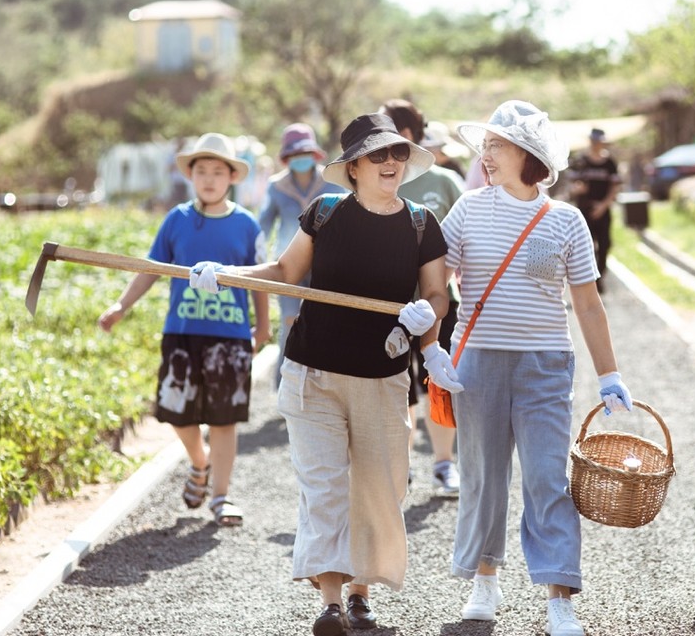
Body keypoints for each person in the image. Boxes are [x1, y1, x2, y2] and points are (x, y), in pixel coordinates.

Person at [189, 113, 456, 636]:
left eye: (398, 154)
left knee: (380, 489)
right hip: (313, 372)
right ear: (353, 167)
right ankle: (331, 603)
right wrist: (226, 277)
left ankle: (361, 595)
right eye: (379, 155)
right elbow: (286, 274)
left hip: (383, 378)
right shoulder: (326, 213)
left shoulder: (422, 223)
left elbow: (437, 292)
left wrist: (429, 318)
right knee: (326, 487)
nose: (391, 163)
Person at [441, 99, 634, 636]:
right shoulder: (469, 209)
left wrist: (609, 374)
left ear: (526, 154)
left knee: (549, 477)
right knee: (483, 475)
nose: (486, 153)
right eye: (486, 145)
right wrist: (428, 337)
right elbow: (435, 278)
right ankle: (485, 579)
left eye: (496, 145)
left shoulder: (566, 220)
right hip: (477, 361)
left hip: (546, 364)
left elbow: (588, 304)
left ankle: (559, 595)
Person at [98, 132, 271, 528]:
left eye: (217, 171)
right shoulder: (176, 220)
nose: (209, 179)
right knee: (176, 412)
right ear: (190, 175)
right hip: (182, 331)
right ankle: (200, 462)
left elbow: (263, 280)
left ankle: (221, 496)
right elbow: (152, 269)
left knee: (225, 418)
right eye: (201, 171)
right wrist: (121, 306)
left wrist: (261, 328)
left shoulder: (246, 225)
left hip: (229, 336)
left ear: (232, 177)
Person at [378, 99, 466, 496]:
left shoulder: (444, 181)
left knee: (437, 383)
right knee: (396, 386)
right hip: (385, 306)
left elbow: (469, 239)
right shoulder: (377, 180)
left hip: (438, 303)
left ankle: (445, 465)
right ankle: (402, 466)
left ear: (409, 135)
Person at [258, 123, 343, 386]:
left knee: (325, 321)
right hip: (288, 264)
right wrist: (257, 255)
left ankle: (322, 384)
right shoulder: (276, 186)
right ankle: (284, 383)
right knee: (290, 320)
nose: (300, 159)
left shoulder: (332, 182)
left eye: (304, 154)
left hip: (325, 264)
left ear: (314, 154)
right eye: (294, 155)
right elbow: (263, 224)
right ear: (287, 158)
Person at [566, 127, 622, 293]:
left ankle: (600, 276)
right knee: (586, 246)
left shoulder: (610, 162)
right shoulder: (580, 161)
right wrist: (577, 189)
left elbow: (615, 186)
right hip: (584, 211)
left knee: (605, 244)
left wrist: (604, 205)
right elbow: (571, 185)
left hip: (603, 210)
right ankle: (588, 280)